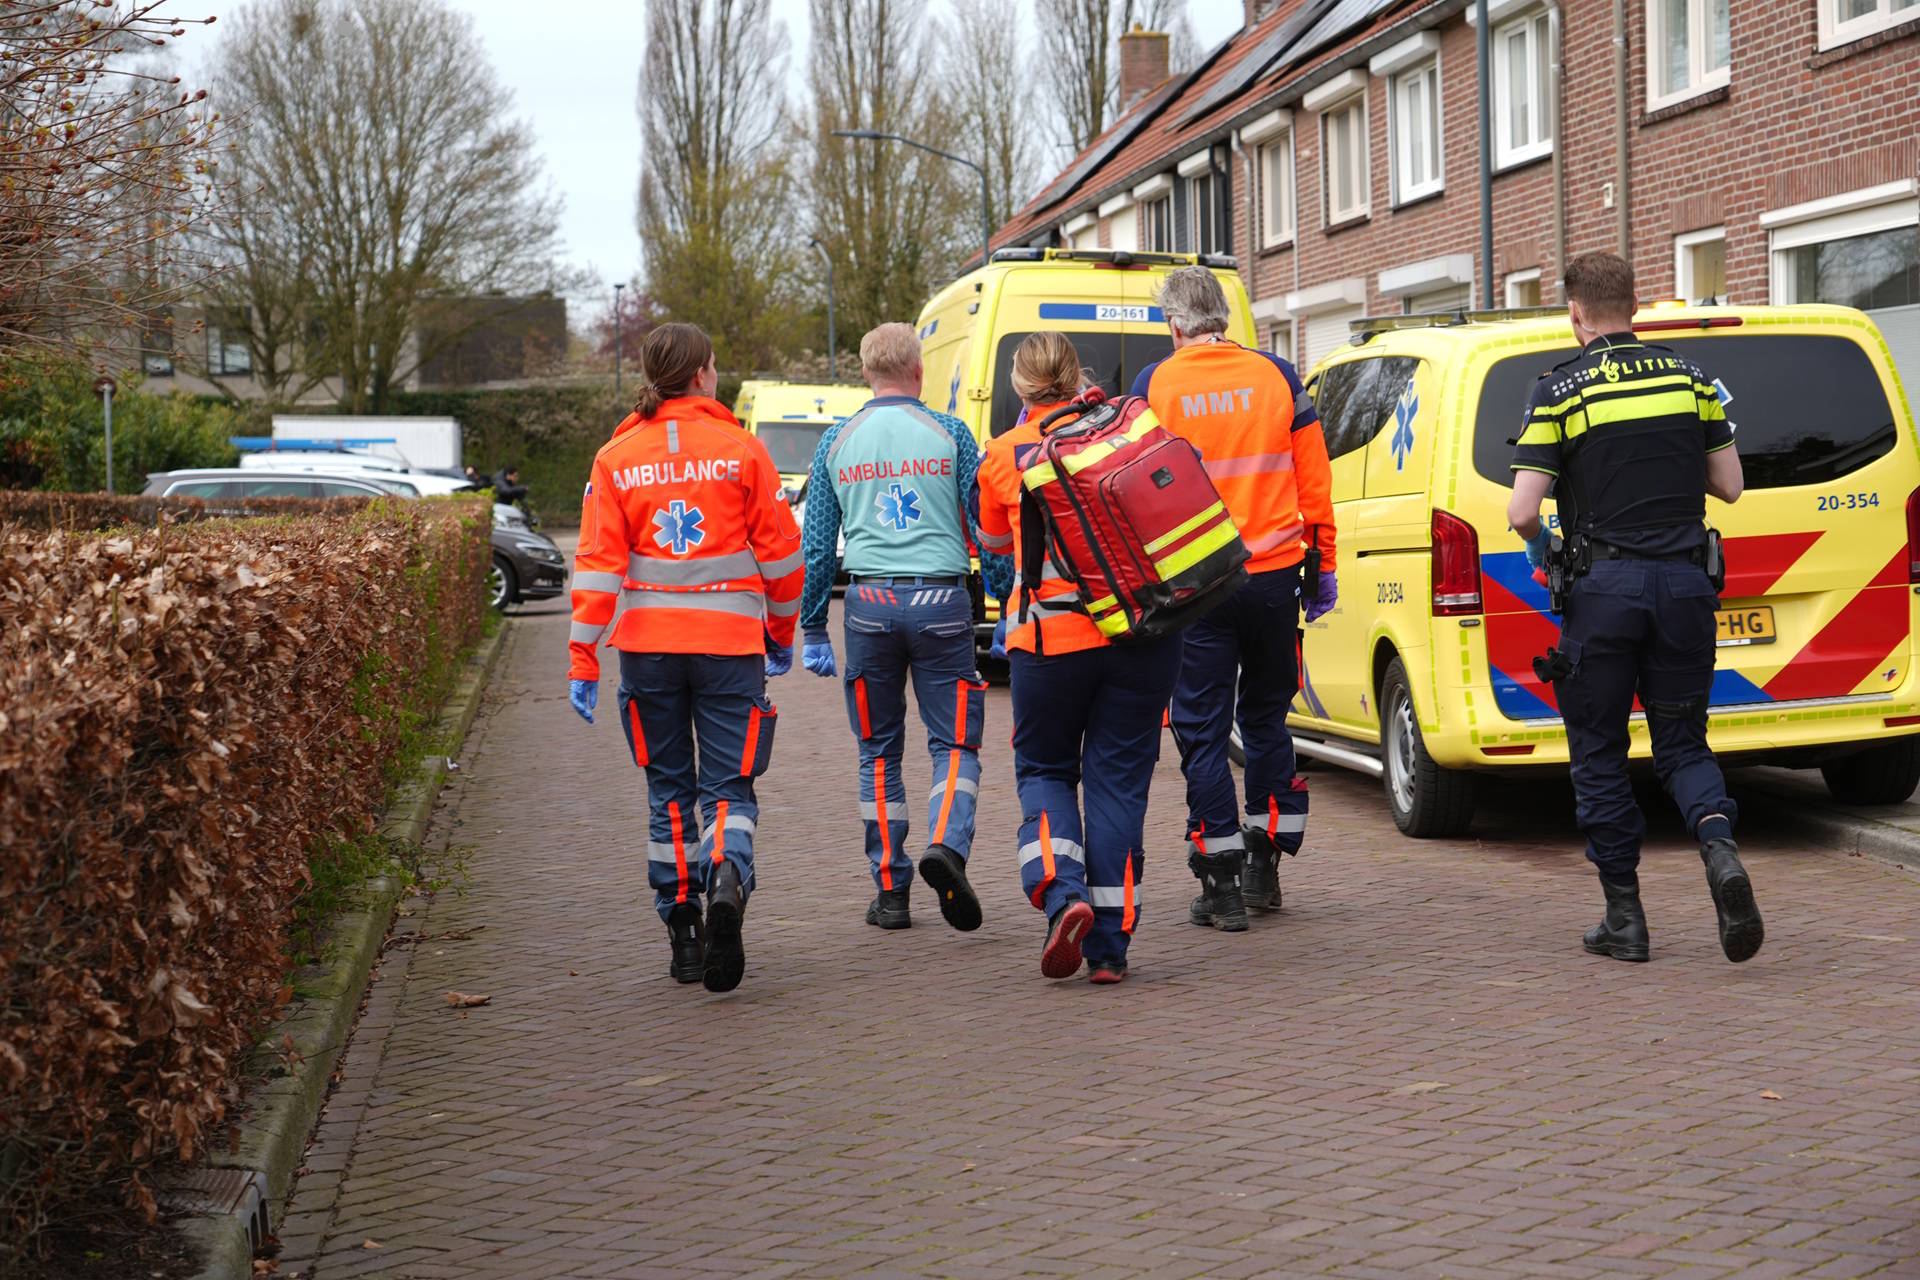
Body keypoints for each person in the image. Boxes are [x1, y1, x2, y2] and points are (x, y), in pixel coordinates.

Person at [1508, 251, 1762, 965]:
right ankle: (1719, 850)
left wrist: (1542, 552)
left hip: (1604, 595)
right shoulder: (1691, 379)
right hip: (1685, 587)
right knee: (1682, 742)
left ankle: (1626, 917)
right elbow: (1731, 485)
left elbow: (1522, 510)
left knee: (1599, 751)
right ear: (1637, 305)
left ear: (1576, 314)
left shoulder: (1559, 391)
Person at [566, 322, 804, 993]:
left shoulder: (615, 457)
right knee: (728, 788)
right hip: (730, 649)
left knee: (668, 790)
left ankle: (684, 931)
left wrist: (583, 656)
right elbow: (785, 562)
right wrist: (782, 633)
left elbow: (597, 566)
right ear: (702, 374)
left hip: (647, 655)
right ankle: (726, 874)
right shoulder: (742, 450)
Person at [1129, 267, 1335, 933]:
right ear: (1223, 317)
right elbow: (1315, 484)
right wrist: (1323, 565)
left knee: (1200, 727)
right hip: (1273, 577)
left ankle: (1218, 882)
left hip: (1195, 584)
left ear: (1173, 325)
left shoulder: (1154, 387)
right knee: (1269, 717)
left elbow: (1132, 490)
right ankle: (1264, 863)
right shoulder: (1277, 377)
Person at [975, 332, 1183, 985]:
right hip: (1141, 636)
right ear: (1075, 377)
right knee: (1119, 784)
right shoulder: (1129, 430)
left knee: (1044, 772)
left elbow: (989, 543)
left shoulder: (1005, 455)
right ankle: (1111, 951)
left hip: (1050, 642)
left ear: (1020, 385)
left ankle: (1061, 894)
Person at [797, 323, 1009, 931]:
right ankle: (946, 845)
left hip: (867, 605)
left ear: (866, 372)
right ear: (919, 370)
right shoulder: (952, 434)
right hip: (943, 605)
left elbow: (817, 547)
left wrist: (813, 626)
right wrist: (1000, 596)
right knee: (955, 744)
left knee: (878, 751)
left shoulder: (838, 439)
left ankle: (891, 891)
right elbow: (986, 527)